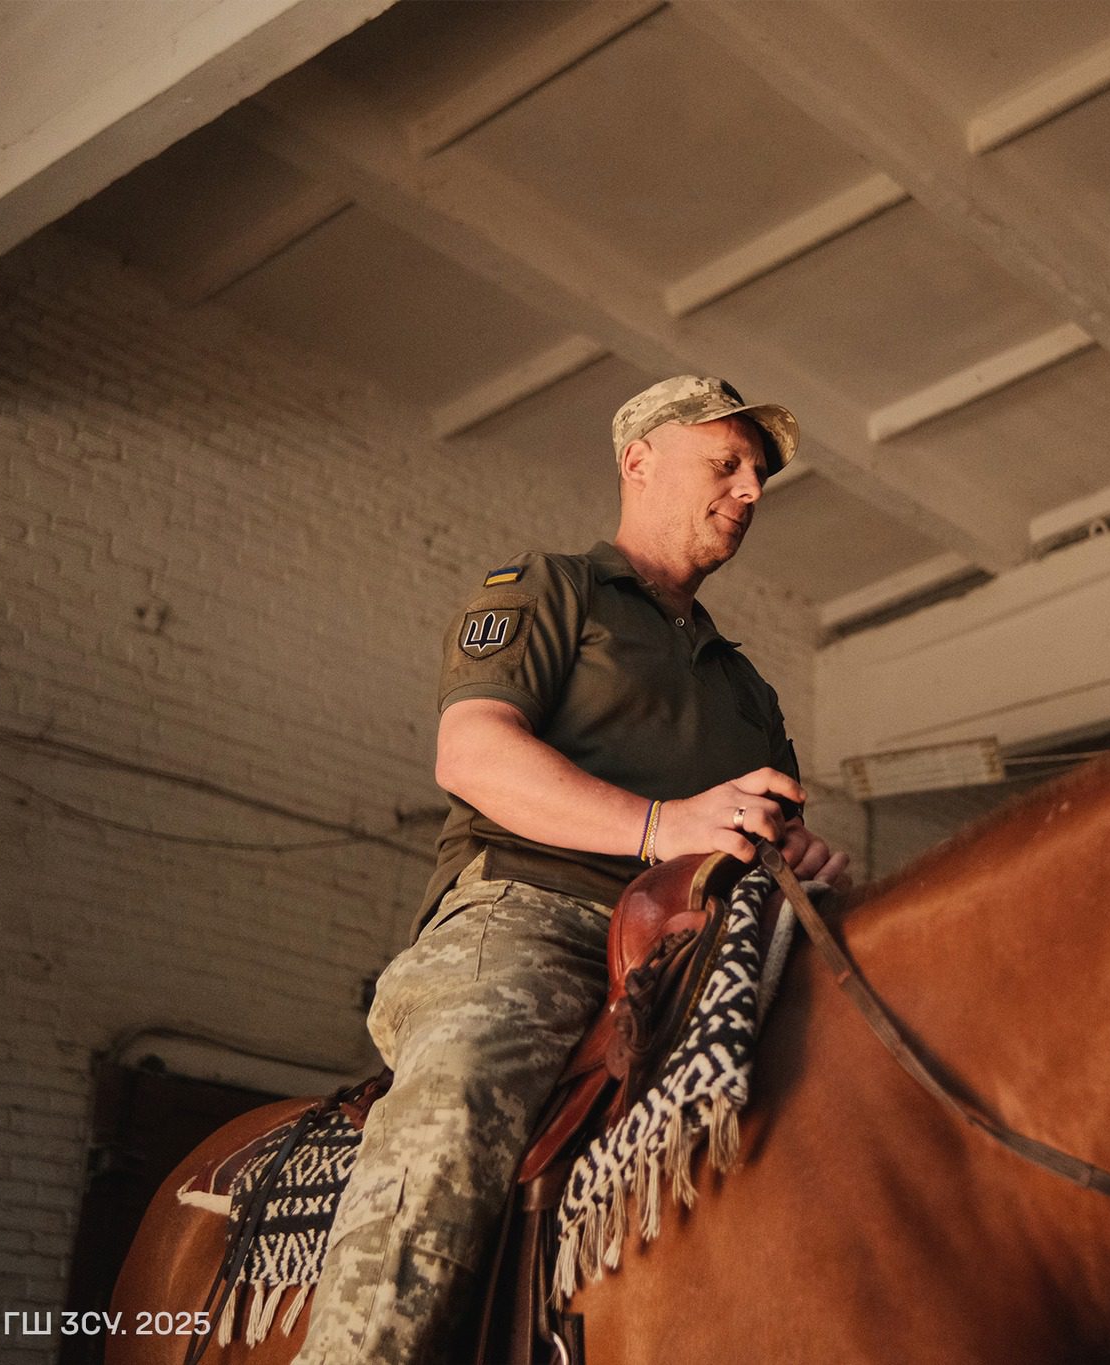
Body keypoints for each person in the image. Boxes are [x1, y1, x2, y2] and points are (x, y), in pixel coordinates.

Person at [299, 375, 850, 1364]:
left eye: (759, 473)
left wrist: (795, 857)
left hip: (700, 943)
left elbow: (763, 832)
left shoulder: (746, 685)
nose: (752, 488)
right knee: (464, 1090)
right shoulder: (549, 590)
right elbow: (472, 756)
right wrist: (662, 823)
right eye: (725, 463)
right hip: (532, 914)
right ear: (638, 460)